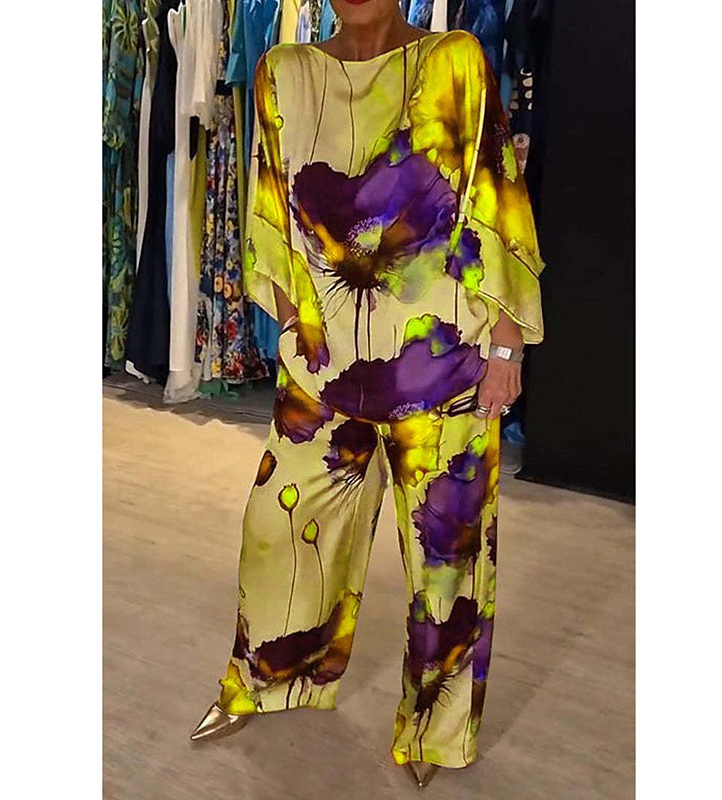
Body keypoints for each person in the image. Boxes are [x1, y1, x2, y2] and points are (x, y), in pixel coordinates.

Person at [190, 0, 545, 789]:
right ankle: (267, 677)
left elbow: (497, 199)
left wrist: (505, 344)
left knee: (447, 564)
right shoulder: (284, 71)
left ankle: (433, 731)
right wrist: (293, 324)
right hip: (325, 369)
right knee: (279, 528)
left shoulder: (454, 59)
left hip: (443, 365)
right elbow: (272, 206)